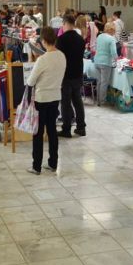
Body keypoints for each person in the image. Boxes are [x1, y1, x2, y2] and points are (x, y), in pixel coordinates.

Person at [25, 27, 66, 174]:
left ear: (43, 41)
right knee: (52, 131)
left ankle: (36, 166)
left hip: (41, 99)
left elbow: (30, 81)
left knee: (38, 133)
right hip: (55, 97)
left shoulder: (42, 59)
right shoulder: (62, 56)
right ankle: (53, 163)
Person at [56, 15, 86, 138]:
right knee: (78, 102)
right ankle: (81, 128)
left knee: (65, 103)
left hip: (66, 75)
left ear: (64, 23)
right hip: (78, 74)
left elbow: (59, 58)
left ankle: (66, 129)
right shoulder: (81, 39)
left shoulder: (61, 39)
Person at [93, 23, 117, 107]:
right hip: (105, 62)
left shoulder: (99, 36)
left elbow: (96, 47)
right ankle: (102, 101)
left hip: (97, 61)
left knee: (99, 82)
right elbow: (114, 53)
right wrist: (117, 59)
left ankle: (98, 101)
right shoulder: (111, 39)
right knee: (104, 83)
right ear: (112, 30)